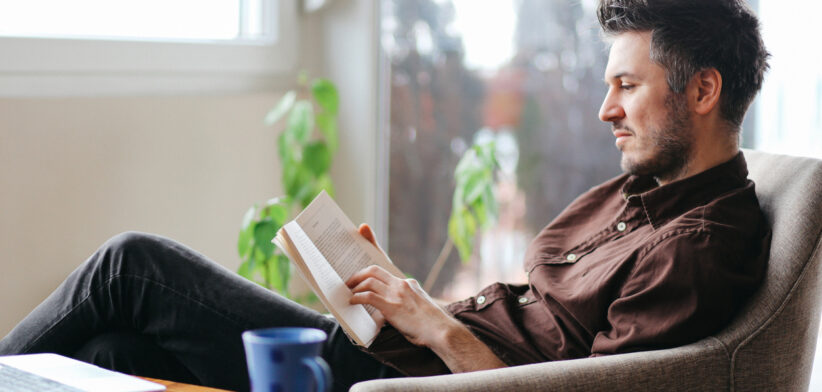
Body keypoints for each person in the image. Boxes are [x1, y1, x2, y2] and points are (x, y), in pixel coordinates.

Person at [0, 0, 771, 391]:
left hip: (401, 384)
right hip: (404, 354)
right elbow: (532, 329)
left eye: (627, 85)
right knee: (112, 357)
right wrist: (400, 296)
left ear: (703, 91)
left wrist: (431, 324)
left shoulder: (697, 248)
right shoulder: (648, 191)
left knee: (130, 267)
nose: (606, 110)